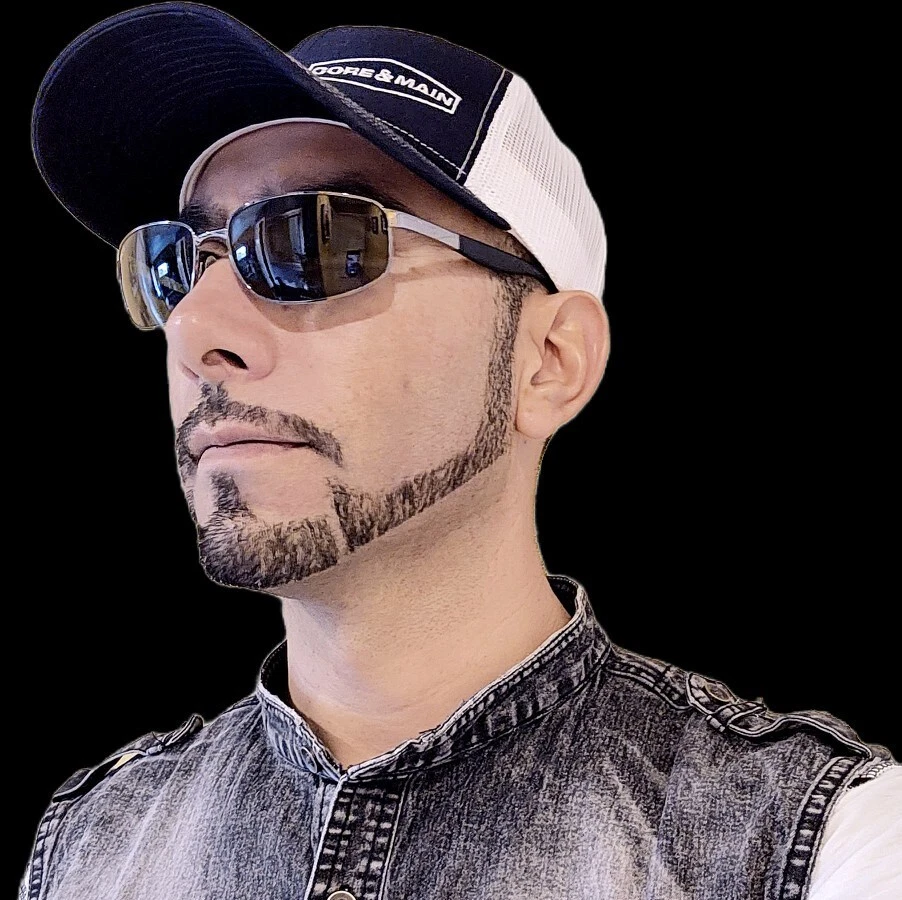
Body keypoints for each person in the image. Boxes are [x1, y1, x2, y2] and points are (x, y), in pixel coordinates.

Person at [23, 4, 900, 899]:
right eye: (176, 264)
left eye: (316, 239)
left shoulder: (822, 843)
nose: (194, 330)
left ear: (549, 362)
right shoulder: (93, 845)